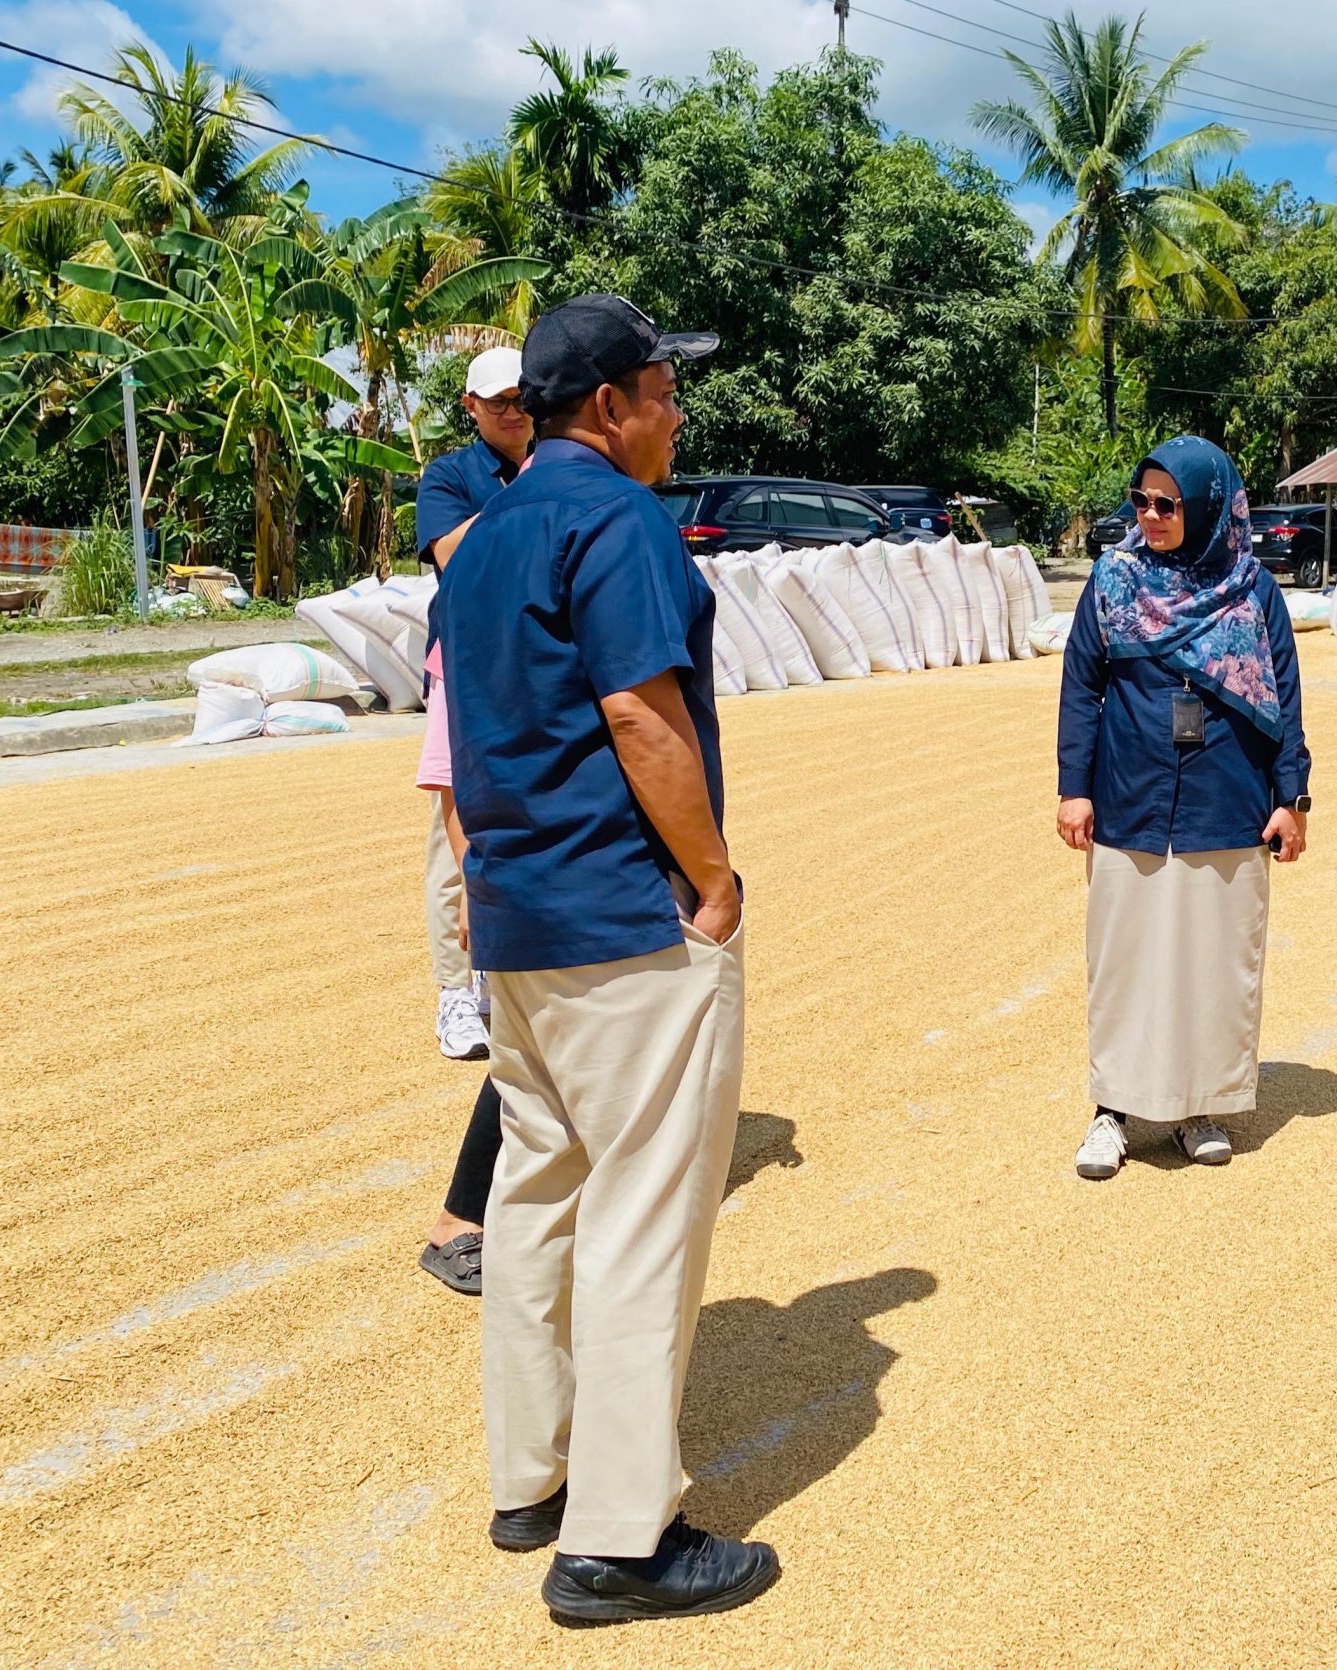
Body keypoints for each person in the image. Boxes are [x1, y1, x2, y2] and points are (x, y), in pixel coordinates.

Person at [441, 294, 777, 1623]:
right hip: (627, 919)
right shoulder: (618, 520)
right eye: (662, 388)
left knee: (537, 1195)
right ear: (608, 405)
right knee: (643, 1215)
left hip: (519, 916)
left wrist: (485, 880)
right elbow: (640, 712)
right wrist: (711, 877)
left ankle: (531, 1479)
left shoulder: (481, 539)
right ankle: (619, 1542)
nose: (676, 412)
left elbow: (464, 735)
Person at [1056, 435, 1311, 1181]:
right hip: (1130, 793)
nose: (1152, 515)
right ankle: (1114, 1110)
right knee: (1124, 958)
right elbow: (1081, 687)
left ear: (1206, 508)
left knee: (1213, 957)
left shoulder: (1253, 588)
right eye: (1142, 501)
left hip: (1225, 799)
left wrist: (1290, 798)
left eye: (1169, 504)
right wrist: (1074, 787)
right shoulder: (1112, 580)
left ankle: (1201, 1105)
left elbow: (1285, 699)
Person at [413, 346, 535, 1296]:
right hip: (472, 673)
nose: (514, 413)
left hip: (521, 693)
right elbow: (462, 561)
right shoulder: (452, 476)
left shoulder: (543, 466)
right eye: (498, 403)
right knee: (455, 855)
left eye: (524, 400)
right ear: (471, 406)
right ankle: (461, 987)